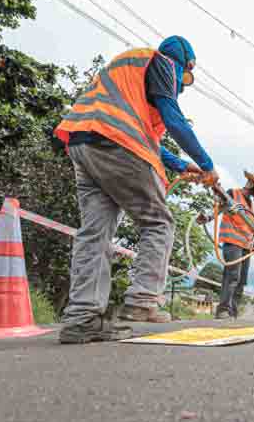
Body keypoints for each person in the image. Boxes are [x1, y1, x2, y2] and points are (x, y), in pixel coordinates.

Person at [54, 36, 219, 344]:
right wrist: (207, 164)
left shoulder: (128, 73)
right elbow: (174, 120)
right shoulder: (164, 63)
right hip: (116, 144)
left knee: (95, 232)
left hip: (83, 145)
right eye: (186, 77)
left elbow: (149, 141)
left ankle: (81, 318)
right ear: (185, 62)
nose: (182, 85)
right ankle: (143, 300)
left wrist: (182, 166)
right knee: (158, 222)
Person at [215, 171, 254, 319]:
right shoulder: (232, 193)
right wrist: (212, 212)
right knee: (232, 276)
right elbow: (218, 206)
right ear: (252, 184)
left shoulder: (250, 204)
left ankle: (233, 312)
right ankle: (223, 310)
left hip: (246, 246)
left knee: (242, 280)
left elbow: (248, 226)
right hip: (232, 242)